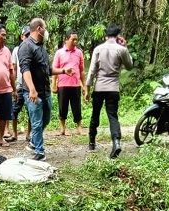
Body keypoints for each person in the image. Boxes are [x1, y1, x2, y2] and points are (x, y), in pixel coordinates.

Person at [19, 18, 74, 161]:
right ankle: (39, 151)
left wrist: (63, 71)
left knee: (46, 120)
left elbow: (47, 69)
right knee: (36, 123)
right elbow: (25, 69)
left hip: (45, 92)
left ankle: (33, 142)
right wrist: (31, 89)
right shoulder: (26, 46)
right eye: (45, 27)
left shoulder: (41, 47)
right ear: (39, 29)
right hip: (33, 93)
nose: (46, 30)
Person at [85, 25, 133, 158]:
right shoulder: (121, 50)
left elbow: (92, 71)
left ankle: (91, 142)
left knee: (95, 114)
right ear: (118, 36)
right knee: (113, 116)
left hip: (99, 87)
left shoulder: (98, 49)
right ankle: (116, 142)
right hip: (113, 88)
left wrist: (87, 88)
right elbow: (129, 66)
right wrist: (125, 47)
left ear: (106, 36)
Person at [52, 30, 86, 136]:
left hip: (75, 84)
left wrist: (84, 85)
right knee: (63, 107)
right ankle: (62, 128)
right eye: (73, 39)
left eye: (76, 39)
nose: (75, 41)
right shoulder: (59, 53)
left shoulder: (79, 53)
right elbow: (54, 69)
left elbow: (82, 70)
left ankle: (79, 128)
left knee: (77, 107)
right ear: (66, 39)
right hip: (62, 84)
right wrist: (54, 84)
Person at [10, 26, 31, 142]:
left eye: (29, 35)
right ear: (22, 37)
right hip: (19, 86)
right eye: (26, 36)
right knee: (14, 110)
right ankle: (14, 134)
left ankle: (28, 134)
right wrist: (13, 86)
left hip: (29, 87)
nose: (28, 38)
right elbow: (13, 68)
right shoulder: (16, 50)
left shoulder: (33, 48)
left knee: (30, 111)